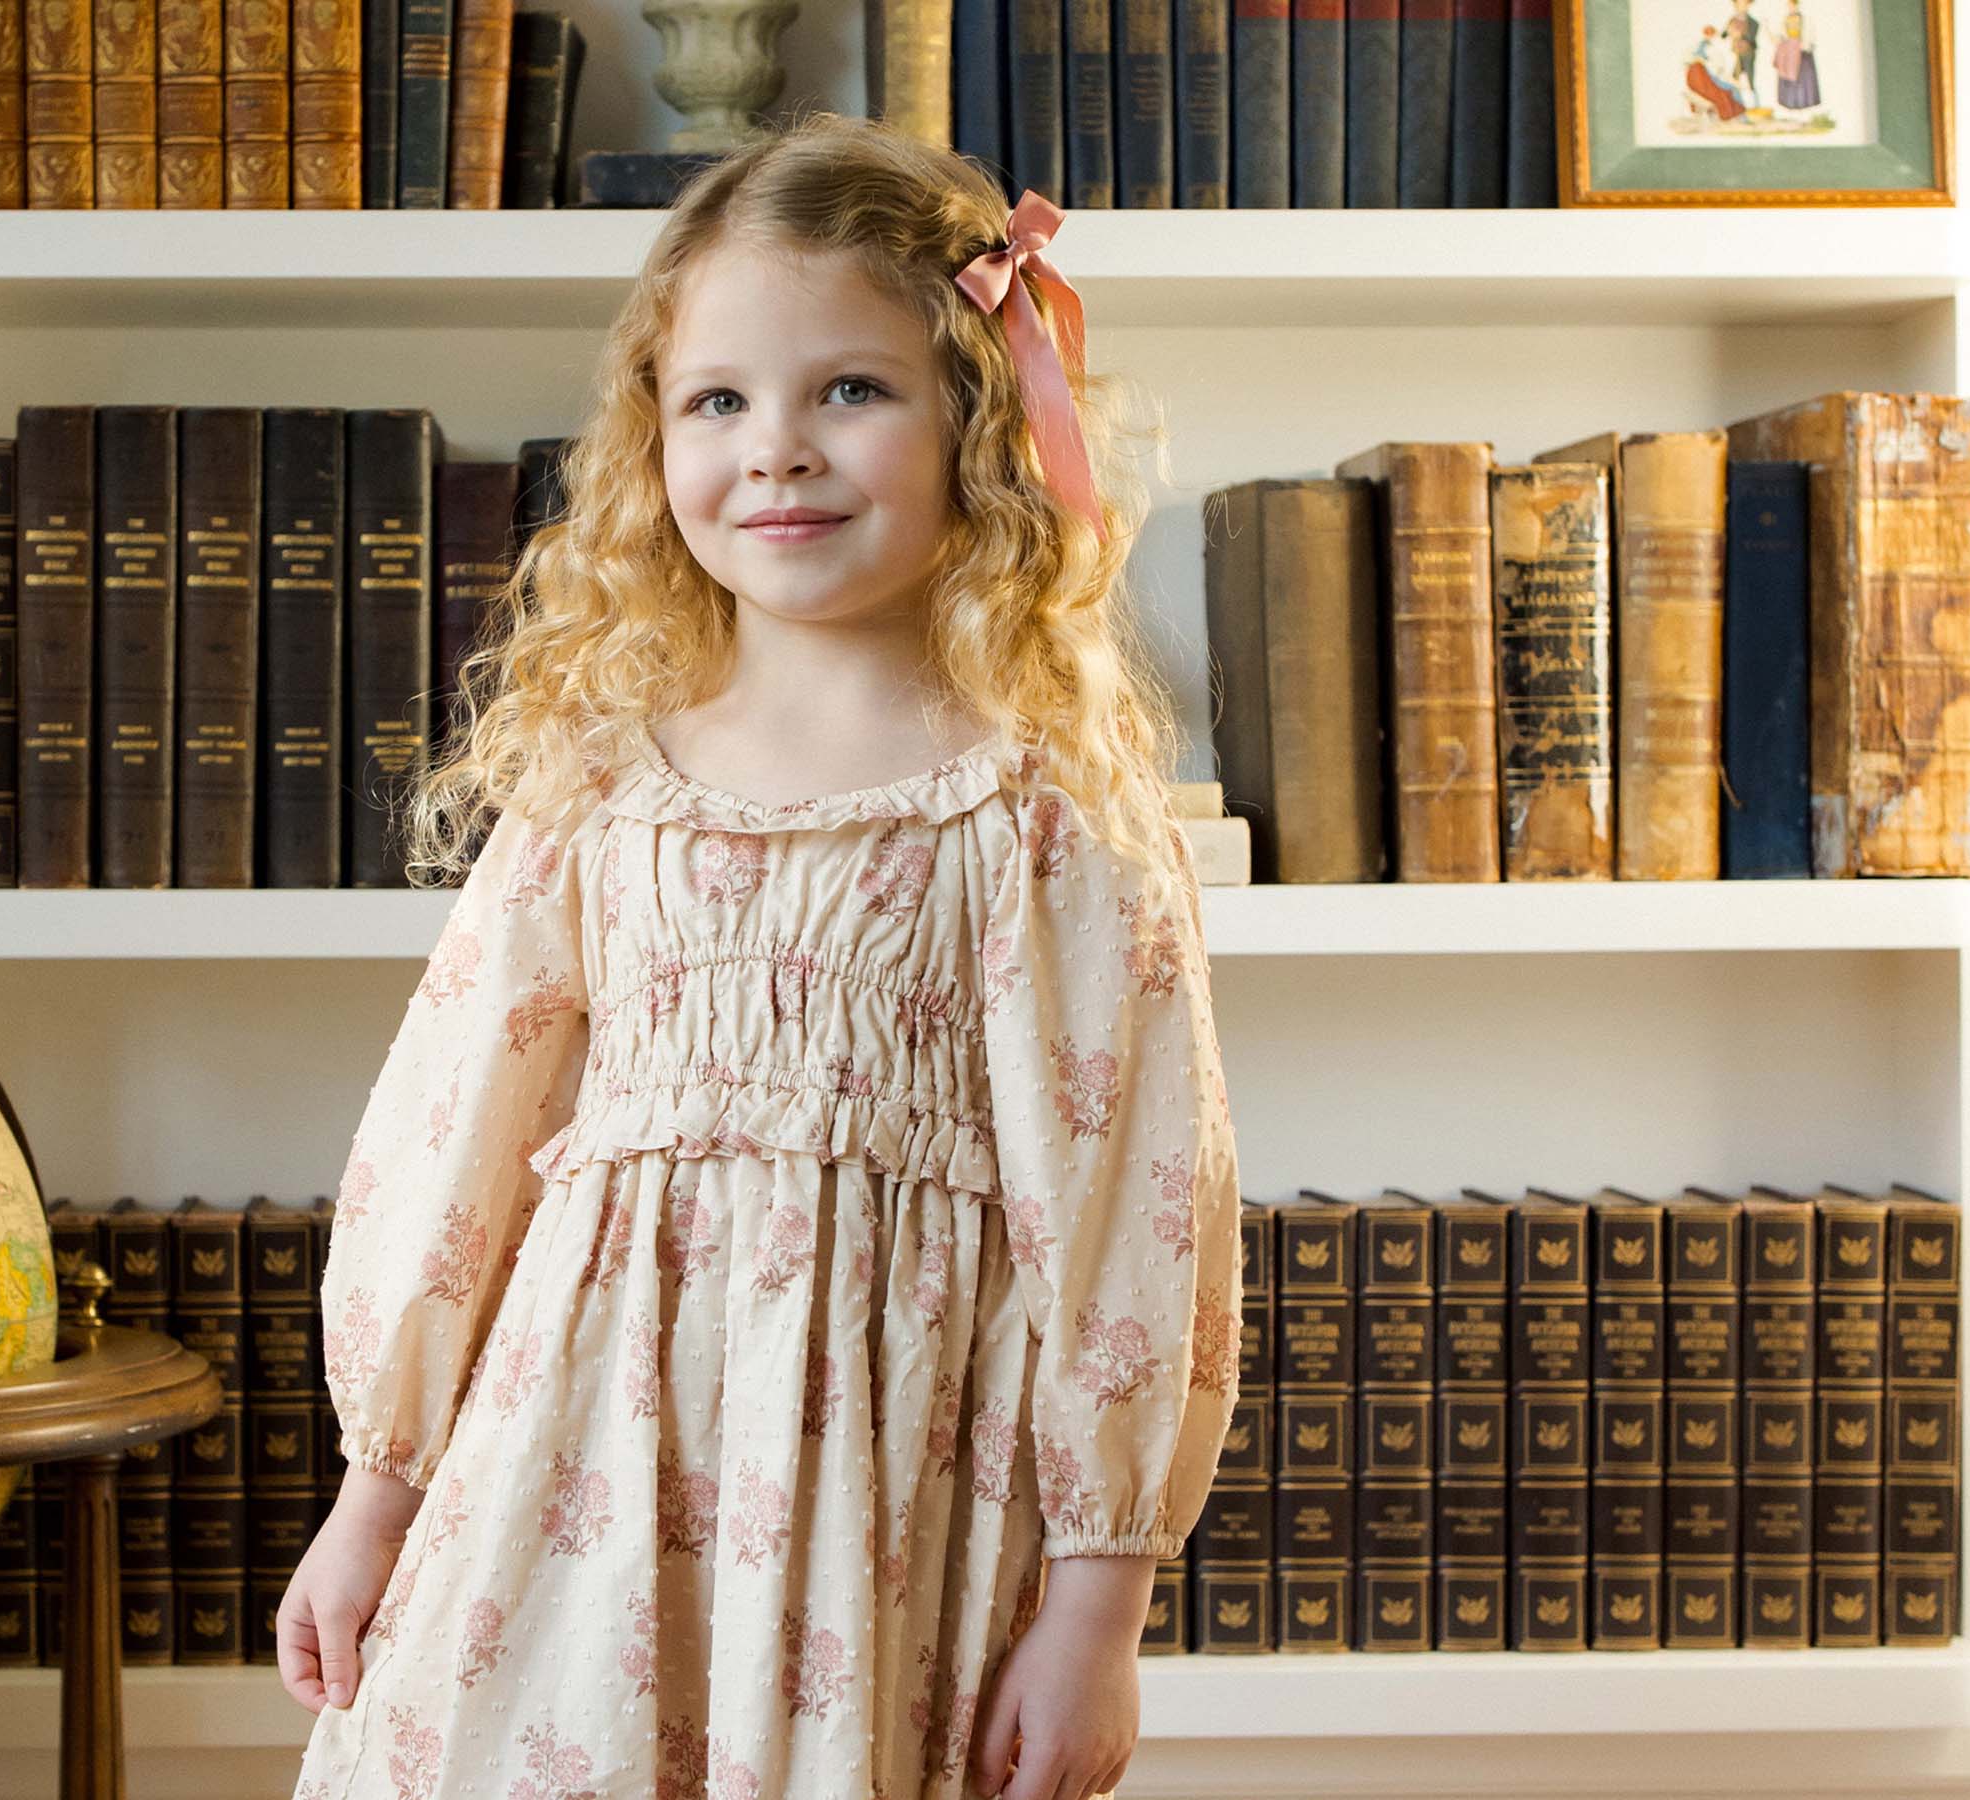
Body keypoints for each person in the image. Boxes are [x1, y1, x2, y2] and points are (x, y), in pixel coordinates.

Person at [273, 111, 1245, 1800]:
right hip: (565, 1496)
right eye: (720, 401)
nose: (776, 451)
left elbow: (1128, 1203)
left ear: (982, 417)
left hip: (885, 1513)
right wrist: (380, 1493)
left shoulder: (1043, 817)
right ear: (656, 437)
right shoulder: (599, 780)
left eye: (850, 392)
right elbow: (456, 1140)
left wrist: (1099, 1595)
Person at [1774, 8, 1822, 112]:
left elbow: (1809, 35)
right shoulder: (1785, 18)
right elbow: (1781, 35)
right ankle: (1789, 104)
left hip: (1802, 51)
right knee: (1788, 77)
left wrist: (1805, 44)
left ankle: (1805, 104)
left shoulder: (1805, 19)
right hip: (1789, 51)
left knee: (1803, 78)